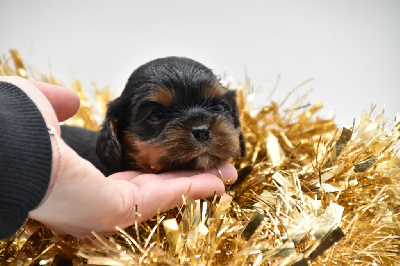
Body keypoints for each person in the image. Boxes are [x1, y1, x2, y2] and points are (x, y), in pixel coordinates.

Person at [0, 76, 238, 240]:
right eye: (156, 115)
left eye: (218, 108)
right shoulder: (104, 177)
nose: (201, 128)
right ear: (116, 133)